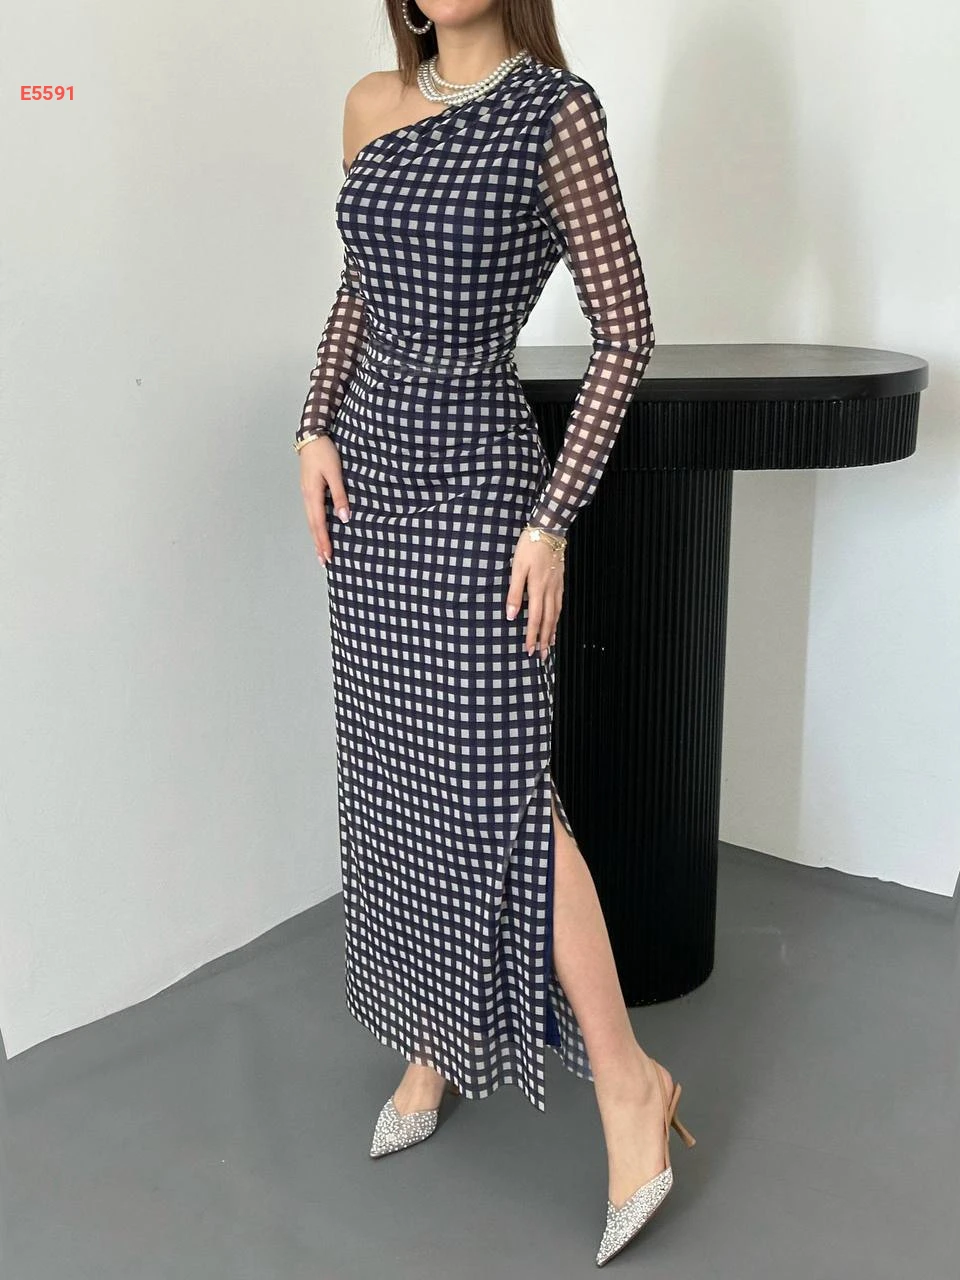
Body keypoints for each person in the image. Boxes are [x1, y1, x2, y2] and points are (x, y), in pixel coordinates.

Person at [294, 1, 695, 1265]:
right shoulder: (371, 105)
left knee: (504, 790)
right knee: (401, 775)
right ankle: (436, 1034)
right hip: (369, 483)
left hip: (479, 484)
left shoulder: (553, 114)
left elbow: (626, 333)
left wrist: (552, 518)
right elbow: (360, 286)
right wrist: (314, 421)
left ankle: (631, 1084)